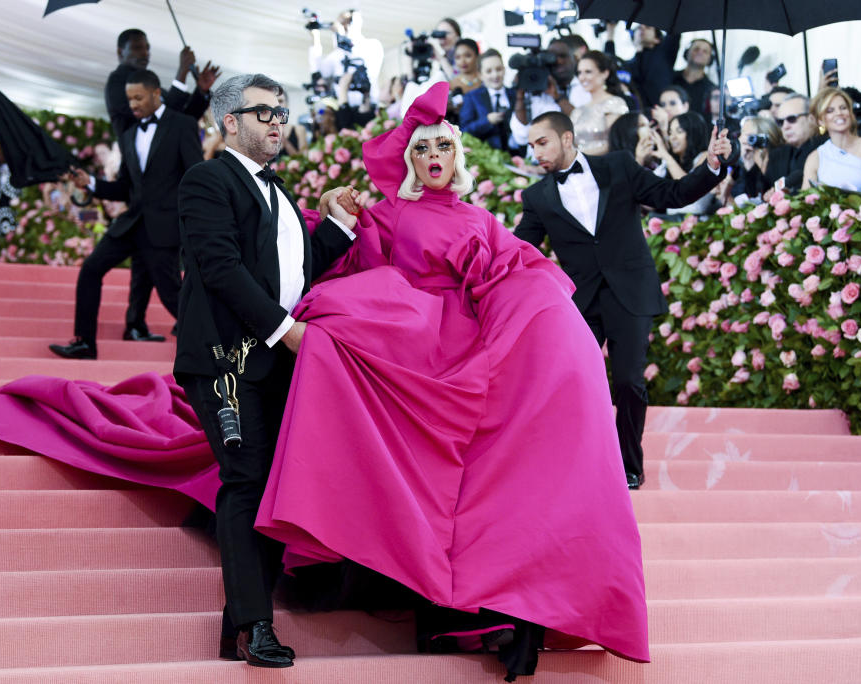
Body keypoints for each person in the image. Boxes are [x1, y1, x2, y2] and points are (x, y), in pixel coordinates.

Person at [253, 82, 649, 680]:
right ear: (408, 160)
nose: (433, 155)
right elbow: (348, 271)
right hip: (411, 342)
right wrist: (339, 219)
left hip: (472, 346)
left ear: (456, 156)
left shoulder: (480, 219)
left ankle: (510, 604)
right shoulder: (384, 216)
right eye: (421, 148)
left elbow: (514, 272)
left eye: (442, 145)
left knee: (514, 446)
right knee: (343, 346)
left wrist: (546, 322)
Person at [173, 73, 356, 669]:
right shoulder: (206, 181)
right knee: (246, 480)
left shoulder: (277, 192)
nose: (278, 121)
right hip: (226, 360)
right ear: (229, 121)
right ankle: (256, 626)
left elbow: (296, 274)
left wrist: (339, 226)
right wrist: (288, 330)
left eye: (281, 111)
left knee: (274, 490)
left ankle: (239, 628)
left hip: (277, 364)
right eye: (263, 113)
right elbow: (222, 269)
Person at [514, 110, 732, 490]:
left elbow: (671, 195)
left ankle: (628, 465)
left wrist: (711, 167)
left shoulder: (618, 165)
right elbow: (521, 250)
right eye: (531, 146)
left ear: (567, 138)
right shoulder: (536, 197)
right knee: (568, 382)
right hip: (582, 304)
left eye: (542, 142)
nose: (536, 152)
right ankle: (571, 461)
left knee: (629, 383)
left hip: (630, 292)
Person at [50, 69, 203, 360]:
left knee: (173, 295)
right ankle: (84, 342)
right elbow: (125, 187)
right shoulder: (130, 134)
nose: (132, 104)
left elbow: (195, 176)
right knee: (91, 269)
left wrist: (189, 221)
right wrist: (91, 183)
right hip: (131, 223)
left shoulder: (182, 125)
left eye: (138, 97)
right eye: (129, 98)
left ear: (156, 93)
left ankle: (214, 346)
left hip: (164, 227)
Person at [104, 28, 219, 140]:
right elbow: (158, 118)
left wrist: (201, 90)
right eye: (137, 48)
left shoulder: (153, 85)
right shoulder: (116, 83)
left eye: (147, 48)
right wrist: (181, 75)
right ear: (120, 52)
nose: (145, 53)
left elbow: (184, 119)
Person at [508, 38, 591, 149]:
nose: (559, 61)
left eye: (563, 56)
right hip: (537, 163)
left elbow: (584, 128)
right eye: (553, 58)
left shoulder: (586, 88)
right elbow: (521, 137)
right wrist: (520, 96)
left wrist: (557, 97)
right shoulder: (537, 92)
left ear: (574, 59)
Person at [802, 87, 861, 192]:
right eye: (830, 111)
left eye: (843, 108)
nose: (839, 113)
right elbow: (806, 199)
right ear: (820, 120)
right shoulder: (815, 157)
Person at [760, 93, 825, 192]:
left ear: (811, 118)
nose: (785, 126)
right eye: (780, 122)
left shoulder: (826, 149)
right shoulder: (777, 155)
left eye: (792, 119)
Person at [570, 51, 629, 156]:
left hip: (603, 166)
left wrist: (576, 157)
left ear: (605, 73)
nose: (582, 77)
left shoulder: (614, 104)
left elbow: (612, 144)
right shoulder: (577, 111)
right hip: (579, 167)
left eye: (588, 72)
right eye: (579, 72)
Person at [459, 49, 516, 151]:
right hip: (486, 154)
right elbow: (463, 131)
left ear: (504, 69)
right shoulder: (471, 97)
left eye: (498, 69)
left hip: (517, 154)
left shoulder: (515, 94)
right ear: (480, 75)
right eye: (489, 71)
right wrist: (487, 121)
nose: (495, 75)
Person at [729, 114, 785, 200]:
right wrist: (748, 162)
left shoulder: (779, 160)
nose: (740, 139)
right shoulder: (746, 166)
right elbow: (751, 198)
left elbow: (773, 188)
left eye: (746, 134)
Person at [624, 26, 679, 110]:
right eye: (639, 28)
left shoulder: (665, 54)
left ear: (657, 39)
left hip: (662, 109)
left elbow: (674, 30)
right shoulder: (627, 64)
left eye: (648, 27)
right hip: (637, 112)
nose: (642, 29)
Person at [672, 39, 717, 121]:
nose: (700, 52)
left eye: (705, 51)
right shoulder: (670, 78)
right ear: (687, 53)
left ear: (710, 59)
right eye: (696, 49)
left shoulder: (711, 89)